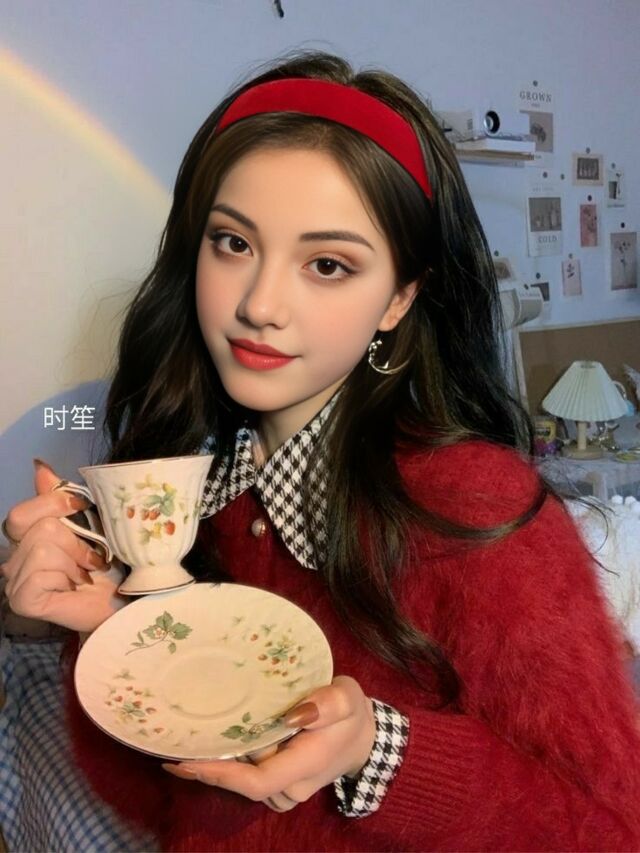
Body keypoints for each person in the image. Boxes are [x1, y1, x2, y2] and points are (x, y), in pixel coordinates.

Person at [2, 49, 640, 852]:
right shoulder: (186, 495)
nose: (261, 304)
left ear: (399, 298)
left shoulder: (475, 510)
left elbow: (610, 828)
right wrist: (107, 638)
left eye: (328, 264)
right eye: (232, 243)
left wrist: (380, 752)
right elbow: (167, 807)